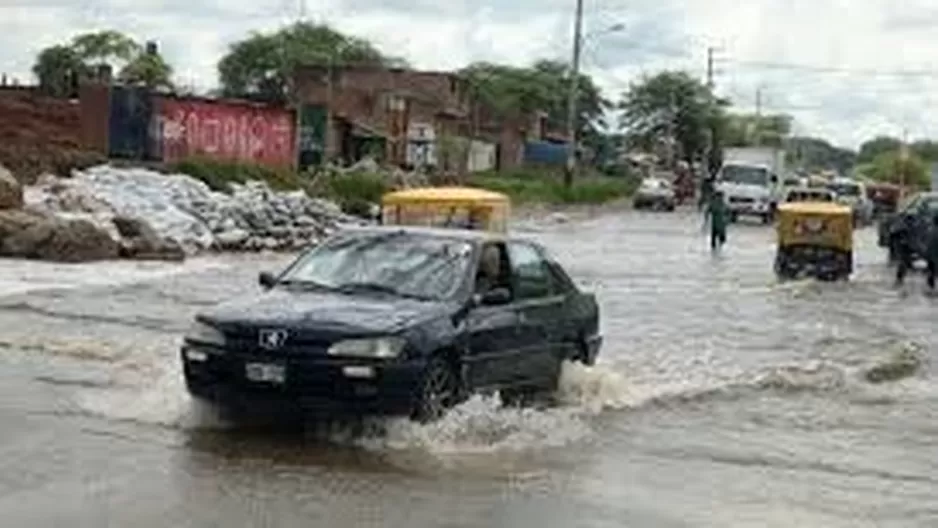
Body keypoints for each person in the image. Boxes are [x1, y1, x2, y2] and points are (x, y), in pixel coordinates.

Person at [891, 213, 917, 287]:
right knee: (902, 263)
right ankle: (899, 279)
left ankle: (900, 279)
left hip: (905, 247)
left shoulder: (908, 227)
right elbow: (894, 233)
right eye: (911, 222)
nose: (912, 224)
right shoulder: (901, 227)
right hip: (900, 248)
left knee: (905, 262)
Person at [925, 213, 938, 291]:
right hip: (934, 255)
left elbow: (927, 244)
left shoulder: (930, 231)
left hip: (932, 256)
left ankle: (931, 288)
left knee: (931, 272)